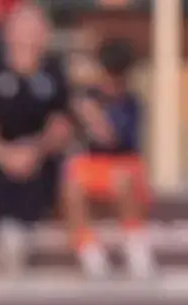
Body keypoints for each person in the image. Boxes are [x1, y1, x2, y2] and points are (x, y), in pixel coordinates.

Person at [0, 2, 73, 274]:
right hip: (4, 155)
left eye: (35, 27)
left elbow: (61, 126)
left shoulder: (54, 74)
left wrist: (35, 150)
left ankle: (21, 235)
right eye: (22, 27)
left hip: (41, 154)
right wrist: (5, 154)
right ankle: (1, 233)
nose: (28, 34)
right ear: (8, 33)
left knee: (43, 169)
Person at [64, 38, 154, 280]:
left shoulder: (131, 104)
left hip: (125, 165)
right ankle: (89, 252)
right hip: (94, 165)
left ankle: (136, 247)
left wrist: (94, 116)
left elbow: (114, 139)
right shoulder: (85, 96)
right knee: (72, 185)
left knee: (122, 179)